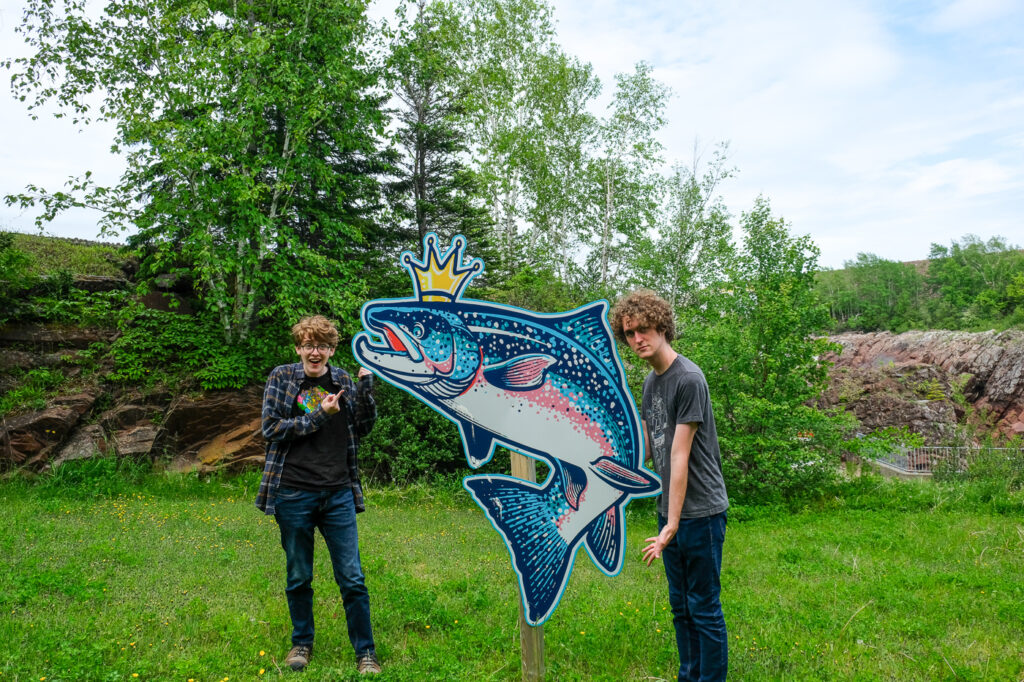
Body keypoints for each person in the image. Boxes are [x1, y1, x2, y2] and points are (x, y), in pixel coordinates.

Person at [610, 290, 730, 682]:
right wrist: (609, 472)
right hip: (672, 512)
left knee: (704, 607)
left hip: (700, 512)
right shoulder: (650, 382)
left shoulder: (689, 379)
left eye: (643, 329)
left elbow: (679, 456)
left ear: (662, 326)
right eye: (629, 333)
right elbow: (650, 445)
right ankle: (688, 676)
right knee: (680, 608)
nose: (637, 339)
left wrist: (672, 525)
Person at [255, 315, 381, 675]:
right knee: (299, 576)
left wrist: (366, 385)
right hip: (293, 493)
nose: (315, 351)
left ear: (331, 349)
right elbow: (271, 428)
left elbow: (364, 426)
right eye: (308, 344)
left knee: (352, 578)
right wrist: (319, 416)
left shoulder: (342, 379)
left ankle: (366, 652)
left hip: (338, 492)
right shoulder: (282, 377)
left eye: (322, 345)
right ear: (298, 347)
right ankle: (302, 644)